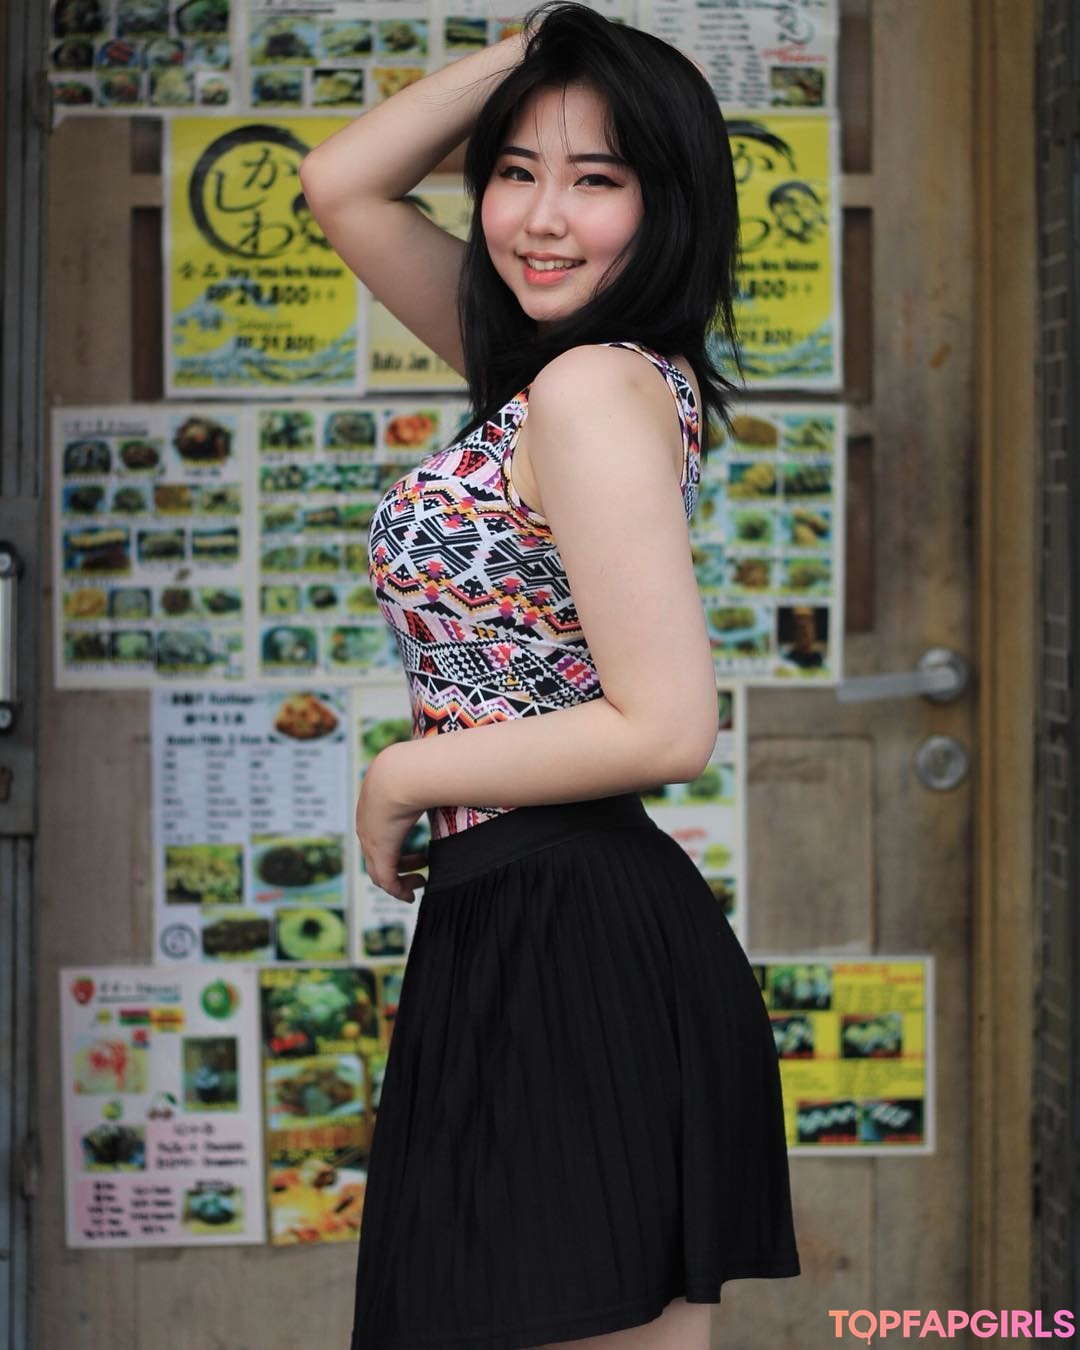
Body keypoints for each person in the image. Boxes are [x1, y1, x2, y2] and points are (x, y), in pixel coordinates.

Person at [299, 5, 801, 1346]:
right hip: (519, 921)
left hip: (570, 936)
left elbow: (668, 724)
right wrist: (535, 48)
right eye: (515, 170)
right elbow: (340, 185)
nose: (540, 218)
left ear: (668, 201)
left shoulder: (586, 391)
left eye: (597, 178)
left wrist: (403, 771)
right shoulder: (554, 370)